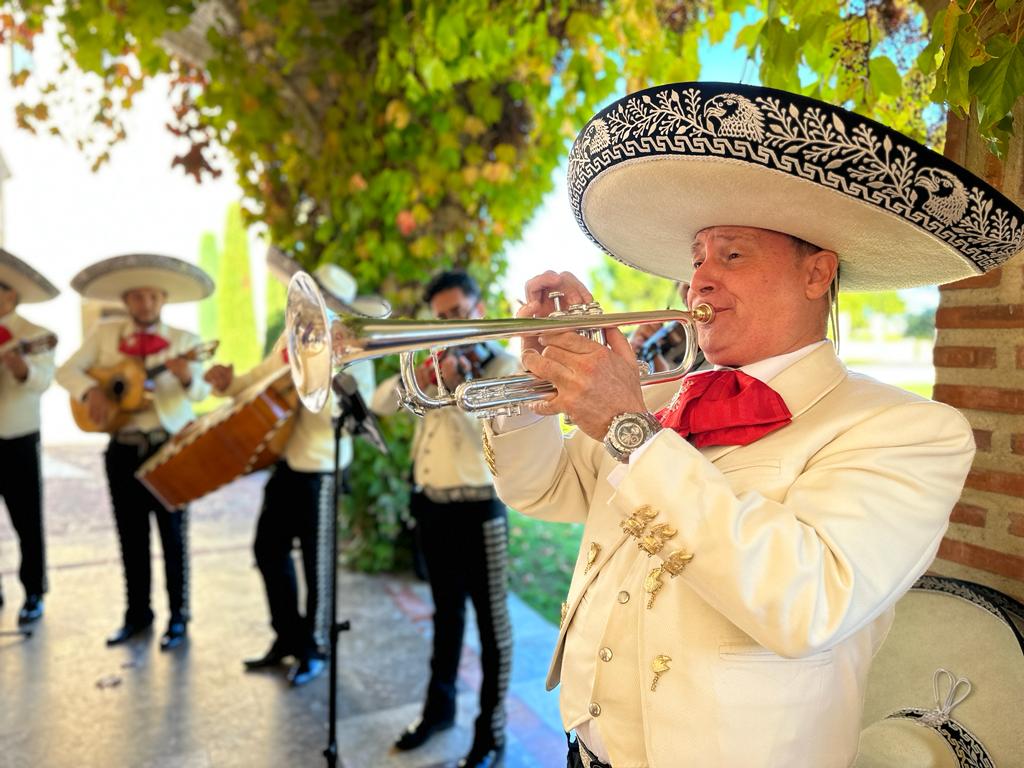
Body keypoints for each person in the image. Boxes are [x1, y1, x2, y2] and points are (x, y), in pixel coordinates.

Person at [482, 82, 1022, 767]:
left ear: (816, 274)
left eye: (731, 255)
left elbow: (804, 605)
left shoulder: (910, 431)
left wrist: (629, 433)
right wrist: (532, 386)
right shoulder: (660, 401)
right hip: (587, 748)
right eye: (698, 258)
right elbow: (539, 491)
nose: (698, 281)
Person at [204, 260, 380, 688]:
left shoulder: (359, 349)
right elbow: (256, 382)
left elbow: (350, 414)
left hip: (322, 469)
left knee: (318, 568)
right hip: (288, 463)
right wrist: (227, 385)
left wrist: (323, 369)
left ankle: (314, 649)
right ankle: (287, 637)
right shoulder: (293, 336)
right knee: (268, 550)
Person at [371, 270, 519, 768]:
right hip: (431, 506)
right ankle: (438, 712)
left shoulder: (504, 363)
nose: (451, 322)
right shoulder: (430, 362)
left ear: (480, 309)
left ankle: (491, 732)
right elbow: (379, 403)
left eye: (459, 312)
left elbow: (500, 431)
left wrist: (461, 386)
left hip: (480, 509)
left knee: (492, 624)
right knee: (446, 617)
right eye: (443, 317)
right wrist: (429, 377)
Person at [56, 254, 213, 650]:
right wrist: (91, 391)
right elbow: (66, 371)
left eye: (153, 297)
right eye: (138, 297)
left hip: (168, 449)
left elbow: (202, 393)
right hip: (121, 449)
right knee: (131, 537)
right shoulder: (104, 335)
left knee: (173, 537)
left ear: (163, 300)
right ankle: (137, 615)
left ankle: (179, 617)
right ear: (127, 301)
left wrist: (186, 375)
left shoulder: (185, 341)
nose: (145, 304)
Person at [0, 249, 58, 624]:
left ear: (11, 296)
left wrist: (22, 368)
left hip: (18, 436)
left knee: (27, 519)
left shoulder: (34, 335)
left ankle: (34, 590)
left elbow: (44, 381)